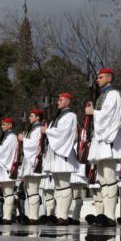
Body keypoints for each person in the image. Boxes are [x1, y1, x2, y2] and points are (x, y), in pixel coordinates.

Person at [87, 68, 121, 227]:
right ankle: (104, 214)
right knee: (102, 178)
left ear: (109, 78)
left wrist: (93, 113)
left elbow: (110, 115)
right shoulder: (102, 95)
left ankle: (110, 216)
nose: (97, 79)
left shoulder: (113, 94)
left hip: (108, 138)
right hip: (101, 138)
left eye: (100, 77)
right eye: (97, 77)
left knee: (109, 177)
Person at [43, 93, 79, 226]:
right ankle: (59, 215)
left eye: (61, 100)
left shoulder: (70, 116)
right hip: (55, 153)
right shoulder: (58, 116)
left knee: (64, 185)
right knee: (58, 186)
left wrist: (47, 131)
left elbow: (63, 133)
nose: (57, 102)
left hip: (63, 152)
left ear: (68, 101)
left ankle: (63, 216)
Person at [18, 109, 45, 225]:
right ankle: (32, 216)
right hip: (29, 161)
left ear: (37, 117)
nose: (29, 117)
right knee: (29, 190)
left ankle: (34, 217)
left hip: (34, 160)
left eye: (32, 115)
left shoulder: (38, 129)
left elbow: (34, 144)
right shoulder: (33, 129)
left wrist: (23, 139)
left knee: (33, 190)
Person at [0, 117, 20, 225]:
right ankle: (6, 216)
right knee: (6, 194)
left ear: (10, 125)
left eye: (4, 124)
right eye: (2, 124)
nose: (2, 126)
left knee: (8, 193)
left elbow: (6, 150)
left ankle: (7, 217)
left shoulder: (11, 137)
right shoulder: (7, 136)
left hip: (7, 167)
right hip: (4, 167)